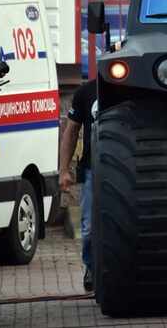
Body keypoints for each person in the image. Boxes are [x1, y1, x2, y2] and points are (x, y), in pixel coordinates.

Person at [58, 80, 98, 292]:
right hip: (93, 169)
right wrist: (64, 170)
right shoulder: (85, 92)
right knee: (90, 226)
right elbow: (71, 132)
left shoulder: (133, 88)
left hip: (129, 168)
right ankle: (91, 267)